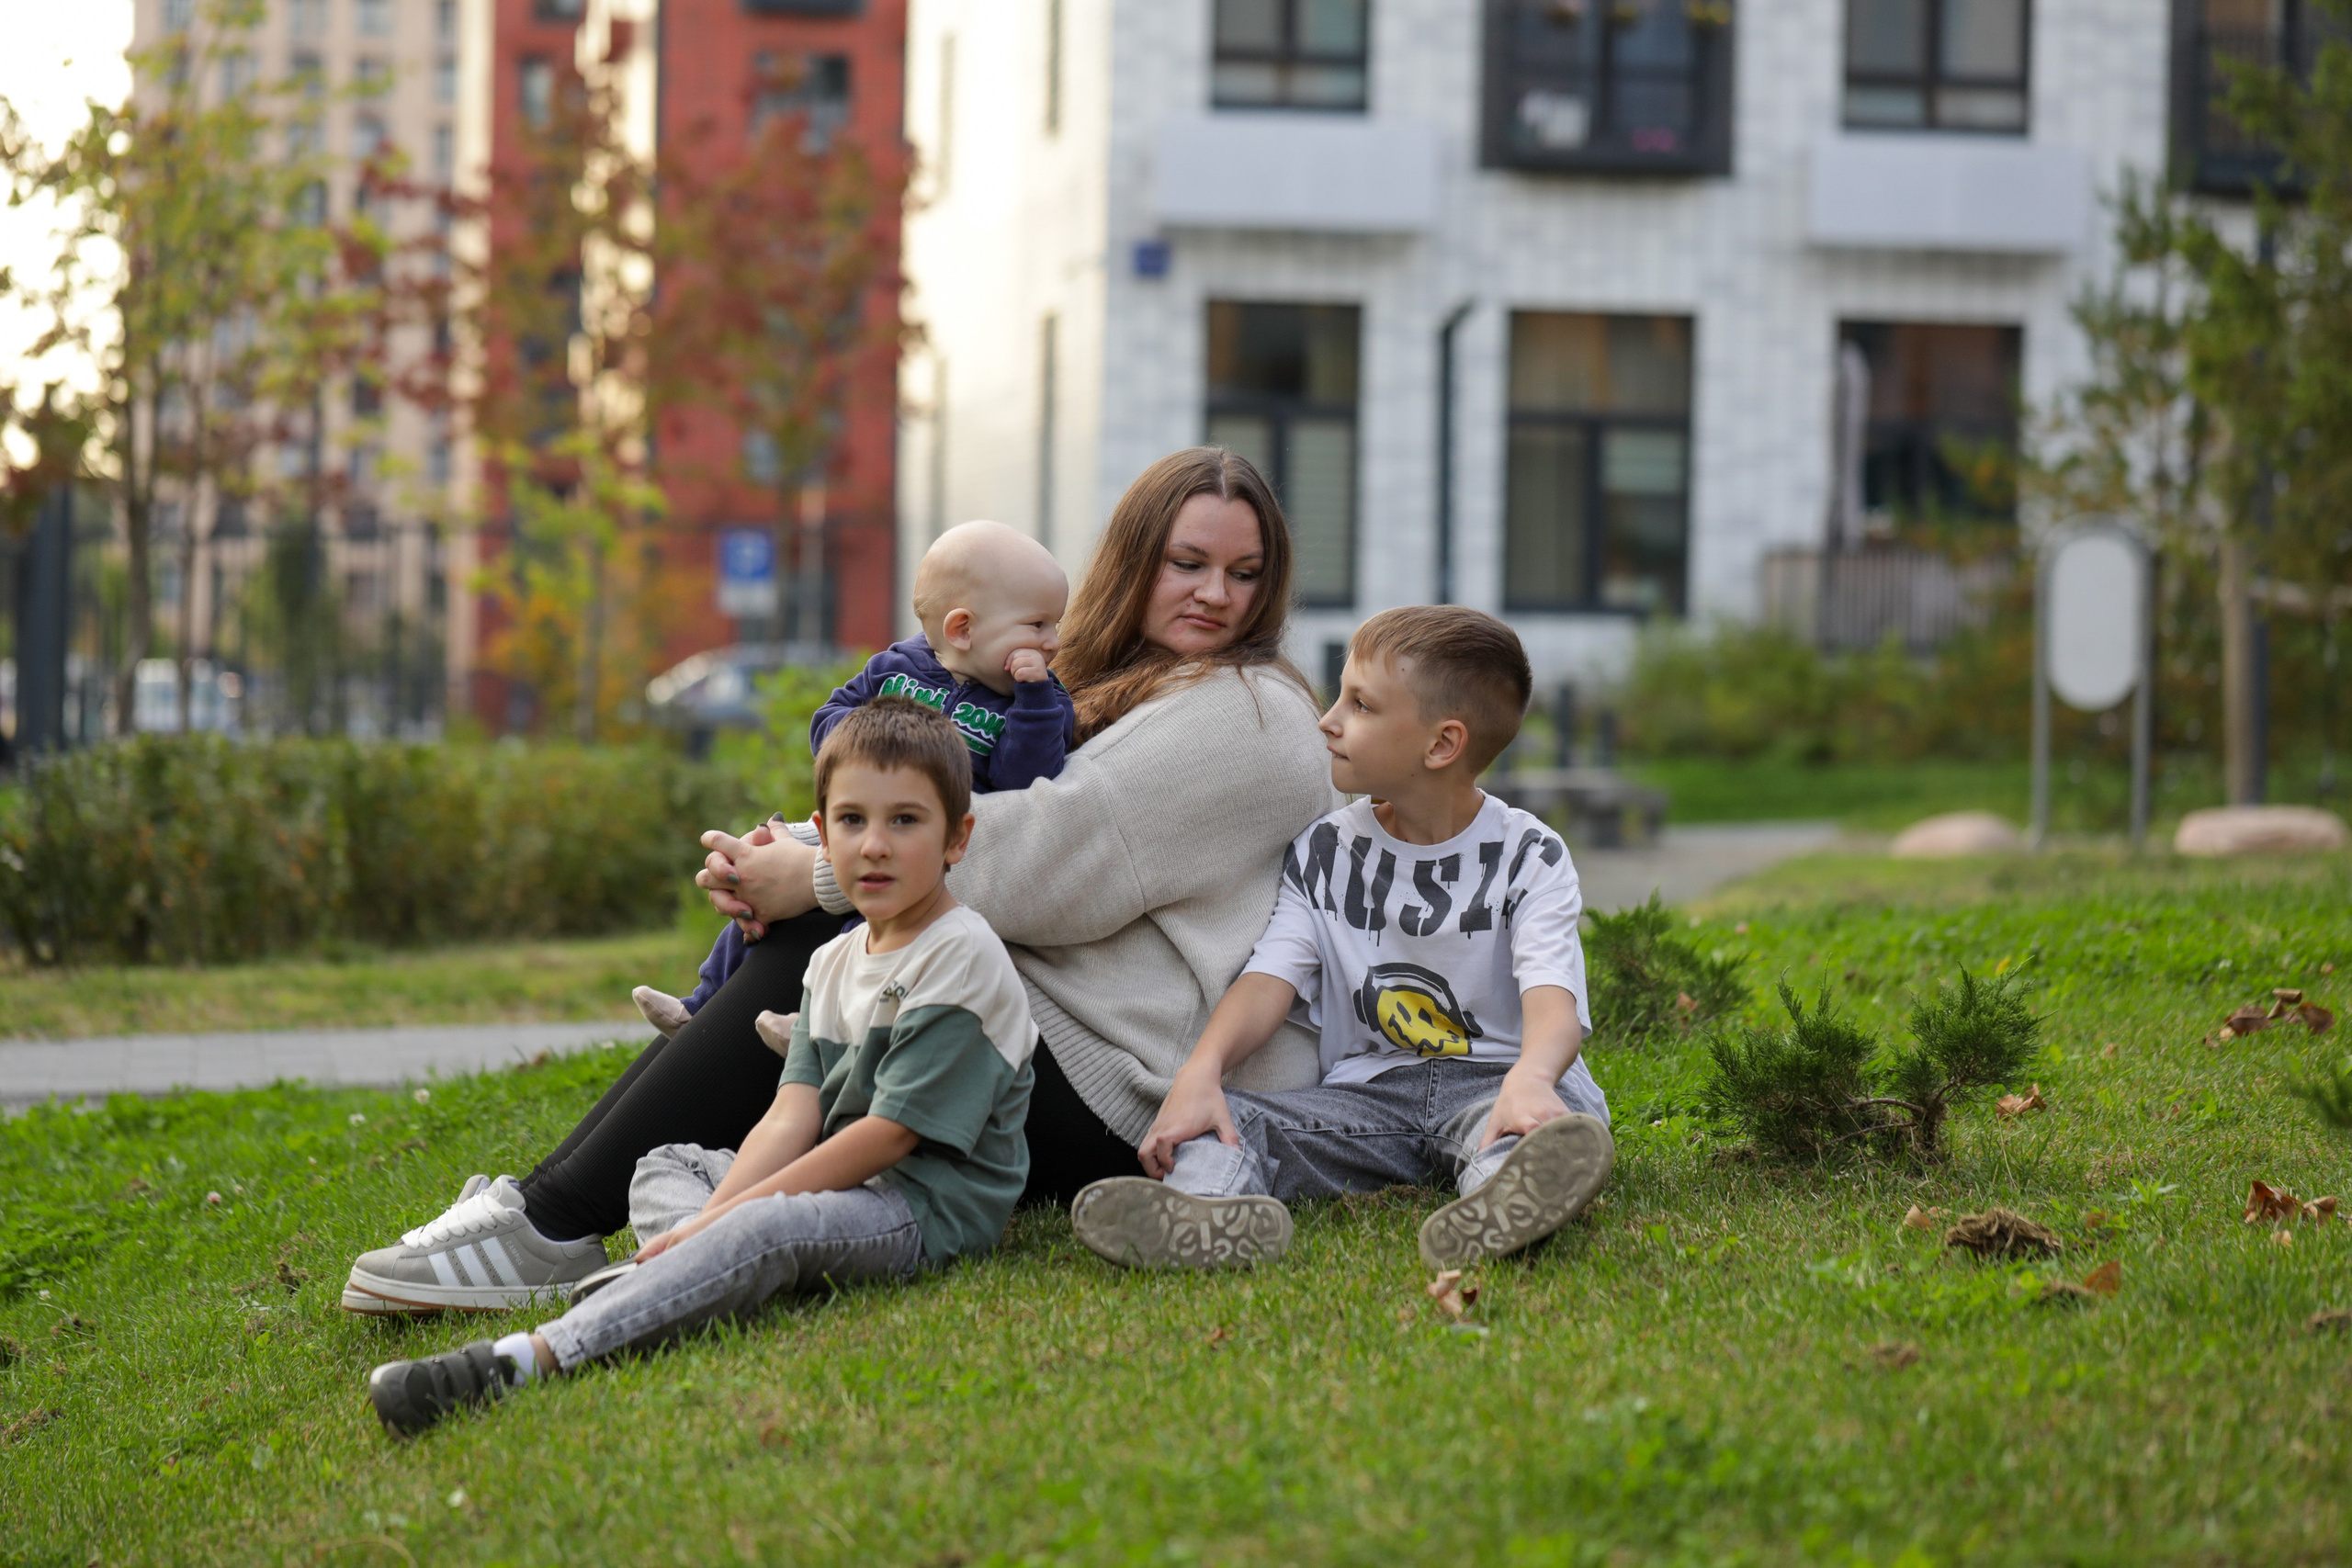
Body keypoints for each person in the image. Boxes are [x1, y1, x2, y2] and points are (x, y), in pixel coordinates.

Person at [340, 446, 1335, 1314]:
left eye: (1245, 573)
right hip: (1037, 1024)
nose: (1217, 594)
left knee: (846, 919)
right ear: (1134, 561)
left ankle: (549, 1222)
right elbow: (949, 796)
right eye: (1188, 563)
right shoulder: (1102, 679)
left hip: (1120, 1086)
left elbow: (1049, 856)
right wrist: (780, 854)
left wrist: (812, 875)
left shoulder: (1250, 714)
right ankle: (563, 1204)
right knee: (851, 920)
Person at [364, 699, 1037, 1435]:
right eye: (852, 820)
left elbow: (888, 1136)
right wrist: (715, 1219)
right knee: (665, 1166)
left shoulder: (959, 954)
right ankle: (706, 1271)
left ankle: (530, 1356)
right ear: (821, 834)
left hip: (920, 1211)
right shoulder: (832, 960)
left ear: (957, 837)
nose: (874, 845)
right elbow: (792, 1114)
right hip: (841, 1184)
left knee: (766, 1225)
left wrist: (732, 1219)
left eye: (905, 820)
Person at [1068, 606, 1614, 1274]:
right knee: (1228, 1120)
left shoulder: (1530, 855)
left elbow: (1553, 996)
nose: (1327, 721)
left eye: (1360, 705)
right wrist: (1200, 1072)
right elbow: (1268, 979)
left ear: (1441, 745)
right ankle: (1203, 1209)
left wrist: (1531, 1079)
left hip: (1501, 1084)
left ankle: (1505, 1198)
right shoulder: (1327, 849)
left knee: (1526, 1135)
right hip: (1372, 1100)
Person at [630, 520, 1078, 1041]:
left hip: (926, 843)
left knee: (867, 923)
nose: (1054, 643)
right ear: (962, 629)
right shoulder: (896, 667)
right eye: (1038, 625)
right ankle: (704, 1002)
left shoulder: (1043, 703)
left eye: (1055, 625)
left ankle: (823, 1026)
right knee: (756, 857)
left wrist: (1034, 701)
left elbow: (1024, 778)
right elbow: (829, 718)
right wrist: (871, 746)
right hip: (856, 820)